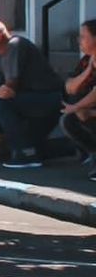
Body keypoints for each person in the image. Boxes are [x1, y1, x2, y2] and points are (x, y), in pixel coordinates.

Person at [0, 19, 65, 168]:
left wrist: (2, 91)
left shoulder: (15, 45)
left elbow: (11, 85)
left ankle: (24, 154)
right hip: (27, 102)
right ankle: (60, 149)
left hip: (48, 98)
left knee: (0, 103)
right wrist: (0, 91)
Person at [60, 19, 96, 180]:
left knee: (78, 112)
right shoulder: (86, 60)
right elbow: (70, 87)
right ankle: (93, 154)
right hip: (90, 109)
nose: (79, 40)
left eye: (83, 36)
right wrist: (88, 70)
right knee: (68, 121)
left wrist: (76, 107)